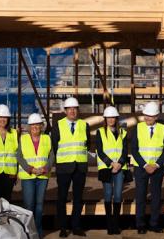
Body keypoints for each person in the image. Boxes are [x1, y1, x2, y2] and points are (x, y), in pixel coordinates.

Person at [128, 101, 164, 234]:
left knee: (156, 197)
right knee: (140, 196)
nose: (147, 118)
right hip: (141, 168)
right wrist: (145, 165)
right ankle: (140, 224)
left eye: (150, 116)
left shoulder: (163, 129)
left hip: (157, 168)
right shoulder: (137, 128)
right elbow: (134, 149)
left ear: (156, 116)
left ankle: (154, 224)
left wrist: (157, 165)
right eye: (146, 115)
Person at [56, 97, 91, 237]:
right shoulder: (58, 125)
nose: (72, 111)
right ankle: (63, 227)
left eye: (74, 108)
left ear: (78, 110)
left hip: (80, 167)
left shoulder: (84, 125)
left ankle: (76, 226)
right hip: (63, 167)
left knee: (78, 199)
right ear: (65, 111)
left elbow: (87, 145)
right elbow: (54, 145)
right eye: (69, 109)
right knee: (62, 198)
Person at [17, 112, 55, 239]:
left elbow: (51, 156)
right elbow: (19, 156)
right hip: (28, 177)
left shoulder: (47, 138)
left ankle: (38, 231)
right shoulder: (23, 138)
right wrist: (30, 169)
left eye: (37, 125)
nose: (35, 127)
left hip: (42, 176)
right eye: (33, 125)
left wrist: (45, 168)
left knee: (39, 206)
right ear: (29, 127)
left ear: (41, 126)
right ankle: (28, 231)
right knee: (29, 206)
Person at [93, 105, 130, 236]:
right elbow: (100, 150)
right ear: (105, 119)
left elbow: (125, 151)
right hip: (106, 168)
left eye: (113, 117)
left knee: (118, 195)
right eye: (108, 117)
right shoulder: (100, 132)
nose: (111, 119)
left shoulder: (123, 132)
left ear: (116, 118)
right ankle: (109, 225)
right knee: (108, 195)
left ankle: (116, 224)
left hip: (119, 168)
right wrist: (111, 164)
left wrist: (119, 164)